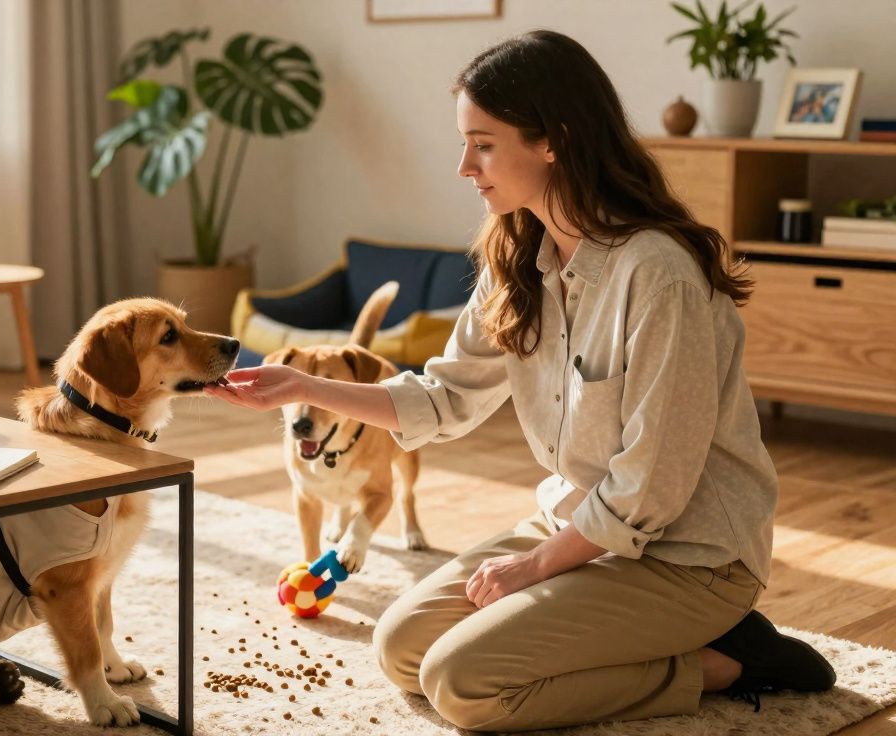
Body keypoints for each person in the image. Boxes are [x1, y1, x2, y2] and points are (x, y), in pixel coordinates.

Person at [204, 29, 835, 732]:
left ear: (553, 140)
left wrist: (533, 568)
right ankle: (649, 640)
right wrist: (304, 388)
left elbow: (649, 489)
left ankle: (727, 662)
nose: (463, 167)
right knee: (402, 648)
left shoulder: (657, 276)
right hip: (575, 524)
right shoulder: (517, 260)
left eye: (482, 143)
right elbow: (444, 399)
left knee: (466, 684)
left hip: (690, 556)